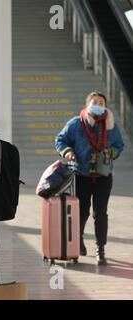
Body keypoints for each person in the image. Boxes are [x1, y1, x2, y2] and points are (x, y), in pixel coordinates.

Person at [55, 91, 124, 265]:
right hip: (82, 174)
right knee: (81, 211)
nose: (98, 105)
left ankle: (100, 249)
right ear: (87, 104)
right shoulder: (76, 123)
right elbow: (61, 140)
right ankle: (77, 243)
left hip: (103, 175)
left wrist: (111, 152)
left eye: (101, 103)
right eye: (95, 102)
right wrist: (68, 152)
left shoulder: (111, 125)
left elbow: (119, 145)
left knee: (100, 213)